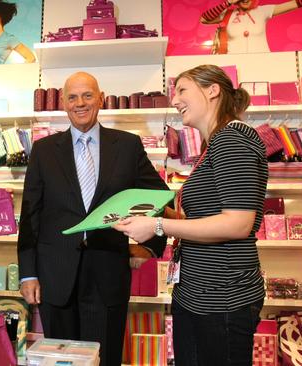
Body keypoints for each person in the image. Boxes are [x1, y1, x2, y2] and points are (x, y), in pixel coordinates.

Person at [113, 64, 268, 366]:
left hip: (222, 296)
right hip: (197, 293)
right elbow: (206, 220)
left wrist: (157, 225)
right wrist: (152, 213)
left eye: (182, 89)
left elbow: (238, 223)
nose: (175, 99)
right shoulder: (214, 145)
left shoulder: (232, 138)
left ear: (213, 91)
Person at [18, 71, 169, 366]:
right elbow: (31, 214)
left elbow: (159, 196)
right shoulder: (44, 150)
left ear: (100, 99)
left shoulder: (126, 145)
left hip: (107, 273)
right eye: (72, 97)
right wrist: (28, 272)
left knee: (105, 357)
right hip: (54, 275)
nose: (80, 103)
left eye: (87, 95)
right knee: (60, 359)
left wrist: (149, 244)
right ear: (63, 103)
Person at [201, 0, 302, 54]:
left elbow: (294, 3)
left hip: (262, 62)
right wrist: (227, 3)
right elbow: (204, 19)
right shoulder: (227, 14)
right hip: (234, 63)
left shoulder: (263, 10)